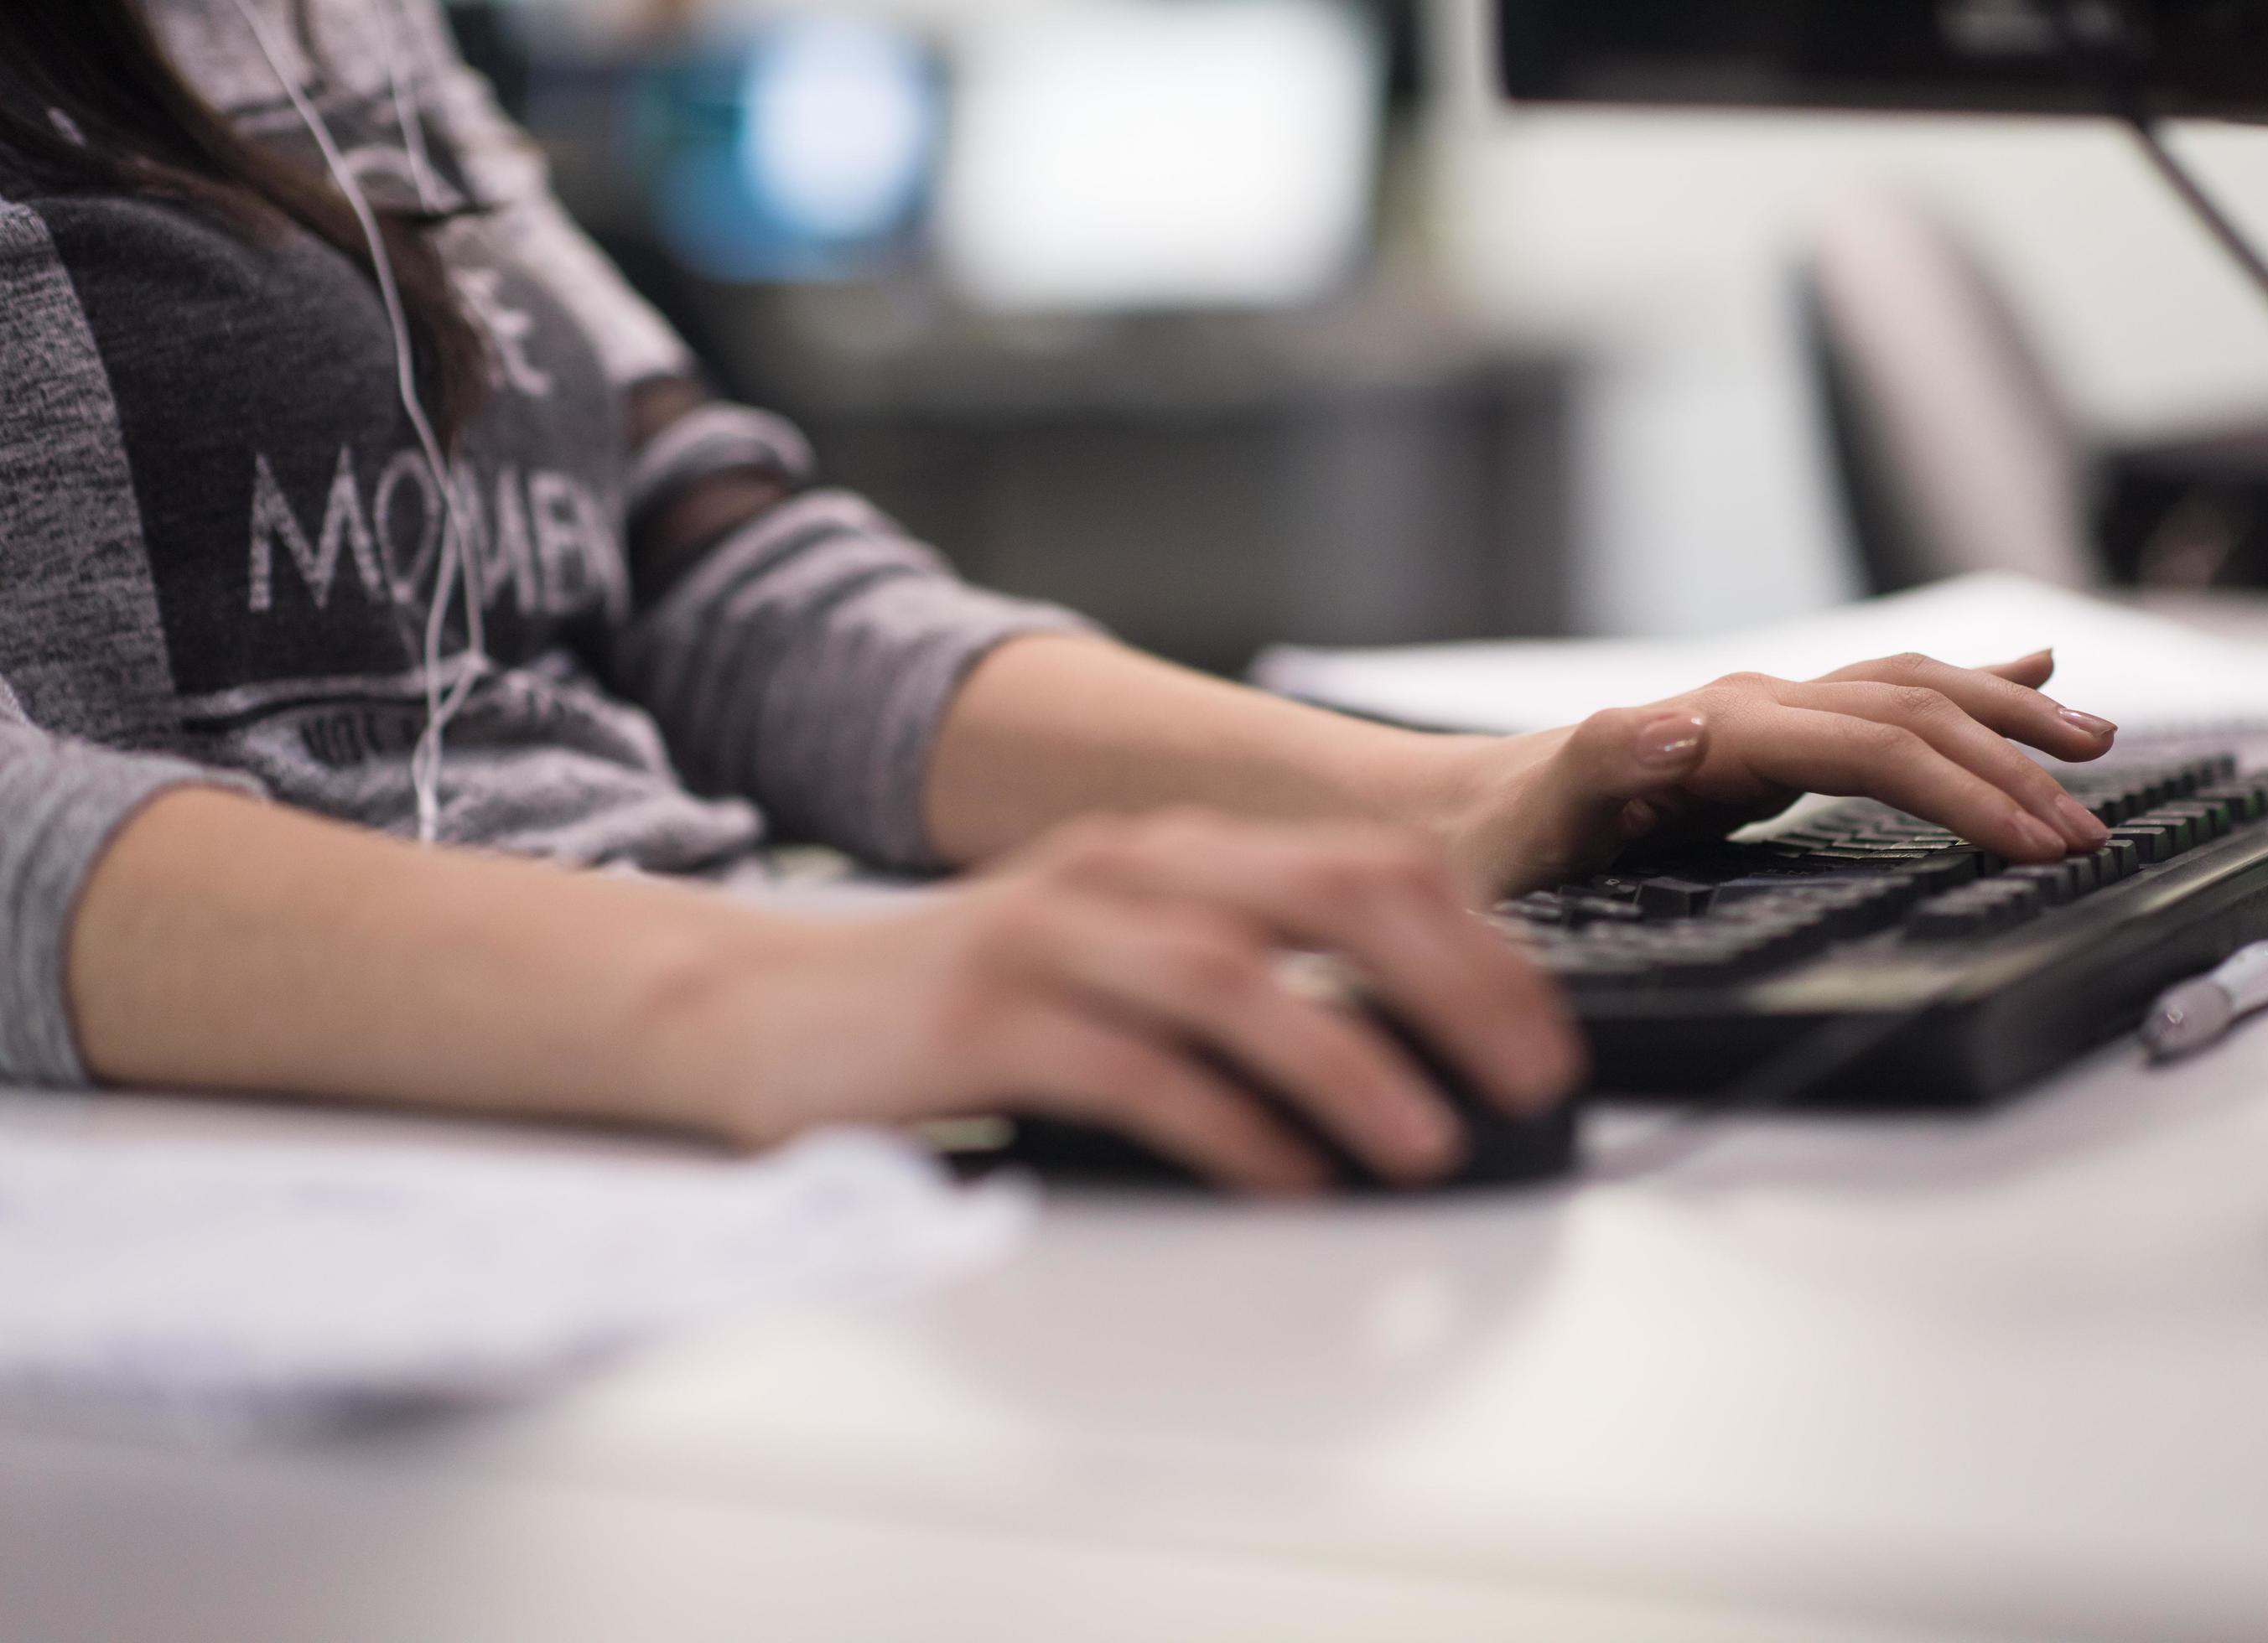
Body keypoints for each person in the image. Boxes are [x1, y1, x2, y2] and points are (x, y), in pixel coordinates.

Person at [0, 0, 2118, 1193]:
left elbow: (715, 567)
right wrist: (766, 995)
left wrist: (1476, 797)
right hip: (288, 1168)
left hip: (709, 1115)